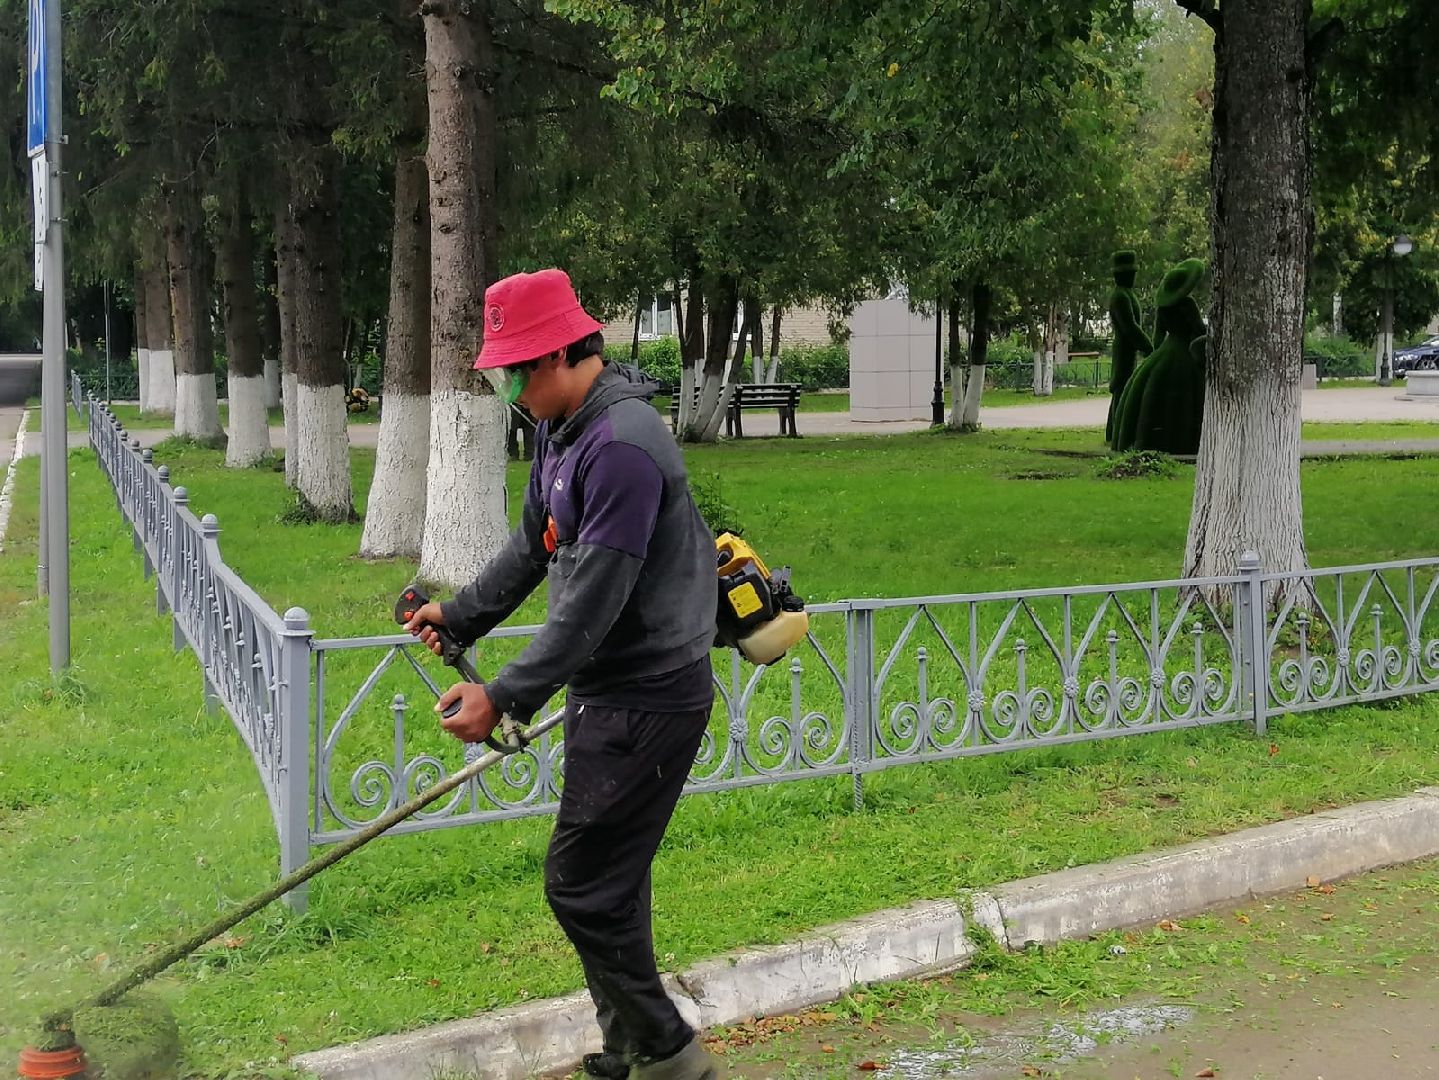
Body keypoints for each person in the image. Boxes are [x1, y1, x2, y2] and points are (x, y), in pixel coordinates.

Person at [404, 268, 722, 1080]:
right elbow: (534, 543)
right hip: (606, 690)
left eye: (512, 372)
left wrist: (502, 696)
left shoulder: (621, 449)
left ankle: (671, 1055)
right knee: (612, 882)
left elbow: (593, 603)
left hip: (650, 694)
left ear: (555, 355)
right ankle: (631, 1049)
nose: (508, 390)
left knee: (580, 884)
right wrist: (460, 616)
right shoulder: (562, 429)